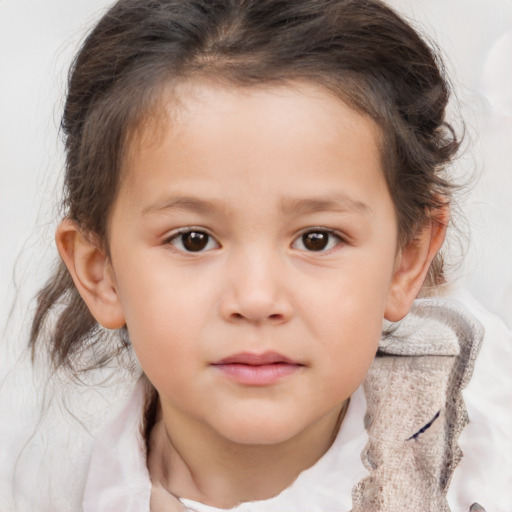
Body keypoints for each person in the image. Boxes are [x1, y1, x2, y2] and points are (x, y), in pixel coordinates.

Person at [13, 0, 509, 510]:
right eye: (193, 239)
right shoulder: (50, 490)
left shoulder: (487, 455)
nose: (255, 298)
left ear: (407, 260)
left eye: (317, 239)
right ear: (101, 274)